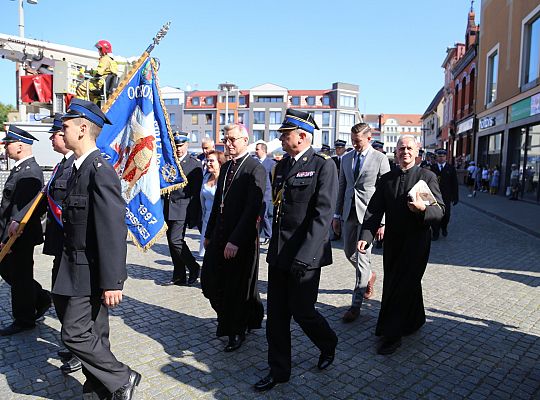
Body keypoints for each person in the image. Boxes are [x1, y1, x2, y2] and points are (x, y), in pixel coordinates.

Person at [53, 99, 140, 399]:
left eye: (65, 127)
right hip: (74, 268)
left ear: (82, 128)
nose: (61, 132)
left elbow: (112, 229)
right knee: (95, 335)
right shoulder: (79, 168)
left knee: (73, 334)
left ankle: (122, 377)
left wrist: (113, 281)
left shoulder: (99, 170)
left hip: (88, 272)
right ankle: (101, 389)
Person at [254, 109, 338, 392]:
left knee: (303, 312)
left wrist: (305, 255)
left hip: (305, 256)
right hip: (279, 254)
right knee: (276, 317)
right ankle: (279, 371)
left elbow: (322, 216)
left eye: (285, 134)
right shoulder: (282, 166)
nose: (281, 138)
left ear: (302, 136)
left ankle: (328, 343)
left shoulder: (323, 165)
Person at [358, 135, 444, 355]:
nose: (404, 151)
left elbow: (439, 211)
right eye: (400, 148)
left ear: (417, 152)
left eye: (409, 148)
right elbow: (374, 210)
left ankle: (391, 334)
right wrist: (366, 236)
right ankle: (415, 320)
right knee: (402, 283)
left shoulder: (427, 176)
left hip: (417, 241)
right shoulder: (387, 179)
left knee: (402, 284)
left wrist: (423, 209)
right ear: (395, 152)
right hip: (394, 241)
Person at [201, 123, 265, 353]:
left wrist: (236, 241)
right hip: (219, 235)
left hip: (241, 239)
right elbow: (218, 204)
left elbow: (252, 209)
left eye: (232, 140)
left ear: (245, 140)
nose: (228, 143)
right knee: (209, 281)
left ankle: (236, 330)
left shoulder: (255, 168)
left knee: (236, 288)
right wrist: (208, 234)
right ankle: (238, 318)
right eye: (226, 139)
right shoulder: (226, 167)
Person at [332, 123, 390, 323]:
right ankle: (370, 276)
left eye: (358, 141)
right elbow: (342, 187)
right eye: (352, 140)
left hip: (369, 217)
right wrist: (337, 215)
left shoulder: (380, 159)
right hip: (348, 213)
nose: (354, 144)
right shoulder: (347, 158)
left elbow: (385, 193)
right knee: (349, 253)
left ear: (369, 138)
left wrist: (382, 222)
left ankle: (355, 306)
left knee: (363, 259)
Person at [0, 126, 51, 336]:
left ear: (20, 145)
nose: (5, 148)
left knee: (19, 277)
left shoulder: (31, 171)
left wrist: (5, 240)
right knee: (11, 272)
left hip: (18, 237)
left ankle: (24, 320)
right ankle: (40, 298)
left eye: (8, 144)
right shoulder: (20, 169)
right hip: (11, 234)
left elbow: (19, 214)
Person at [162, 132, 203, 285]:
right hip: (167, 207)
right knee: (171, 243)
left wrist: (194, 214)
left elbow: (195, 192)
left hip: (182, 208)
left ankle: (193, 267)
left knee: (175, 240)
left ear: (187, 145)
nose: (178, 149)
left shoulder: (194, 164)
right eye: (175, 146)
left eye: (180, 145)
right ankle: (179, 275)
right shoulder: (168, 161)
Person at [199, 150, 226, 258]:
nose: (208, 163)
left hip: (219, 219)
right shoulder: (206, 178)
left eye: (211, 161)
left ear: (219, 162)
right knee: (206, 249)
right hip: (206, 218)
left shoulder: (223, 180)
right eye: (207, 160)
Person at [430, 148, 458, 240]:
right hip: (434, 196)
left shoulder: (451, 168)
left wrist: (455, 197)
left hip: (446, 196)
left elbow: (454, 183)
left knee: (446, 215)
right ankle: (435, 233)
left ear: (446, 157)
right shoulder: (432, 168)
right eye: (439, 156)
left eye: (443, 156)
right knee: (435, 215)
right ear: (436, 157)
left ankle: (444, 227)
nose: (441, 158)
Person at [254, 141, 275, 245]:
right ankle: (260, 235)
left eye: (257, 149)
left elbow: (273, 180)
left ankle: (269, 236)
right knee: (259, 215)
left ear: (263, 150)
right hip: (256, 193)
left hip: (267, 194)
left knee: (265, 215)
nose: (255, 151)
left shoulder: (271, 163)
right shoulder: (255, 162)